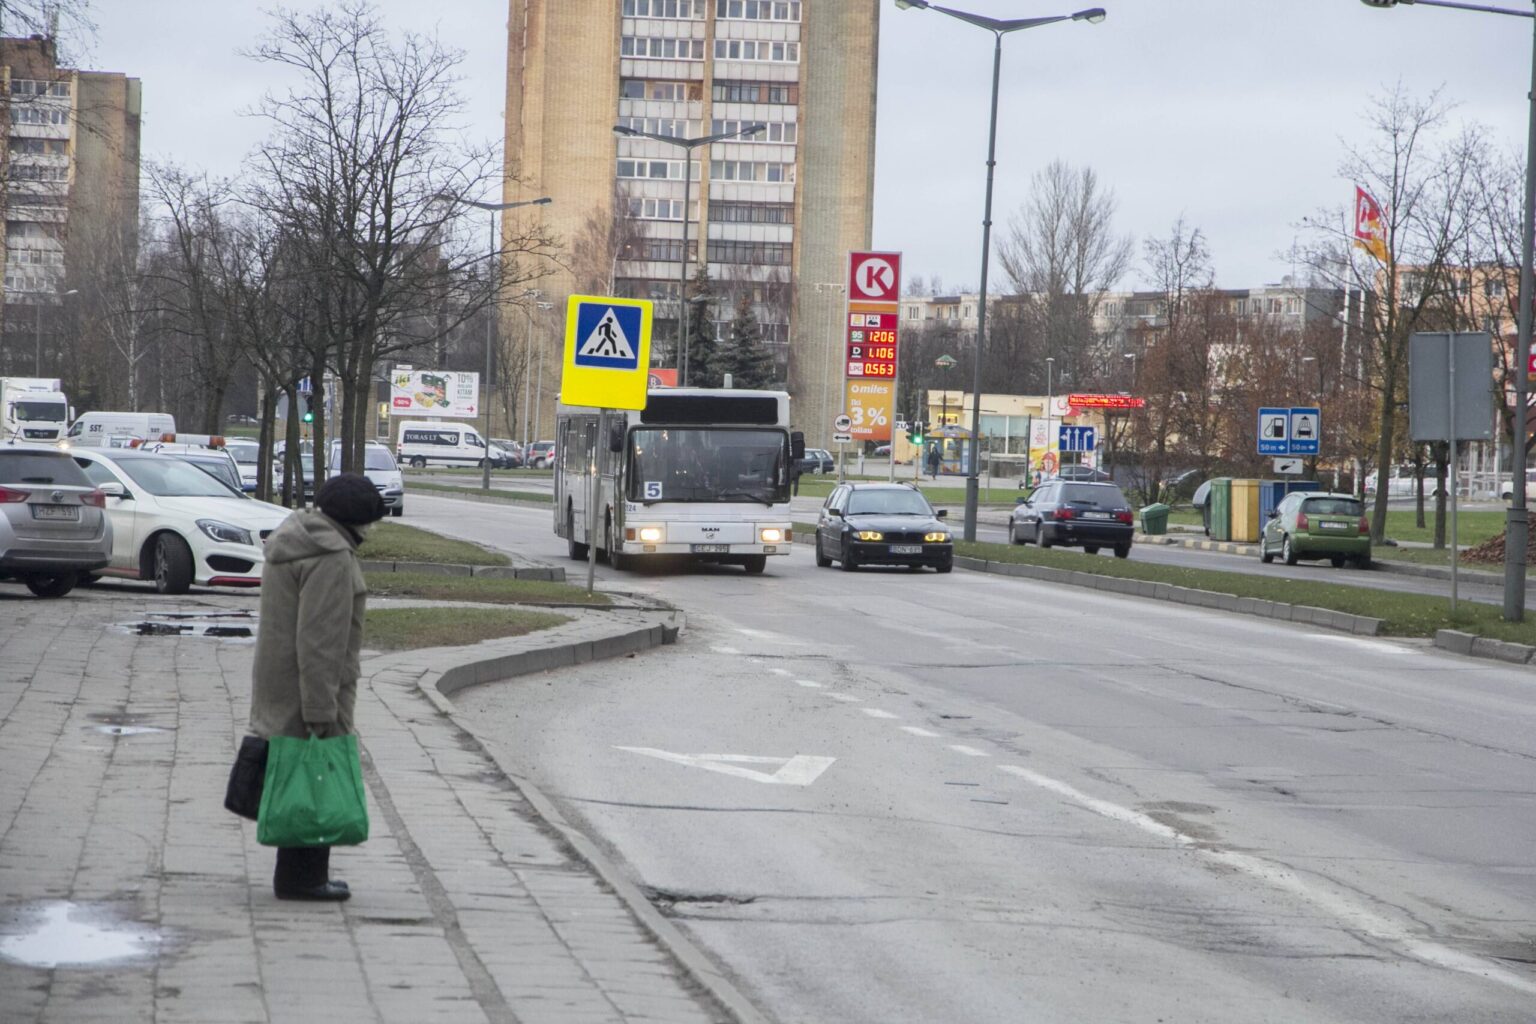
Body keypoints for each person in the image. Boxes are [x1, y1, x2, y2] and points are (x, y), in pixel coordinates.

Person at [249, 473, 386, 902]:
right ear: (357, 521)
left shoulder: (298, 540)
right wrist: (321, 709)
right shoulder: (330, 557)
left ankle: (298, 875)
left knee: (298, 774)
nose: (372, 531)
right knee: (314, 777)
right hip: (311, 687)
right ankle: (302, 878)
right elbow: (321, 642)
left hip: (280, 679)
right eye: (371, 522)